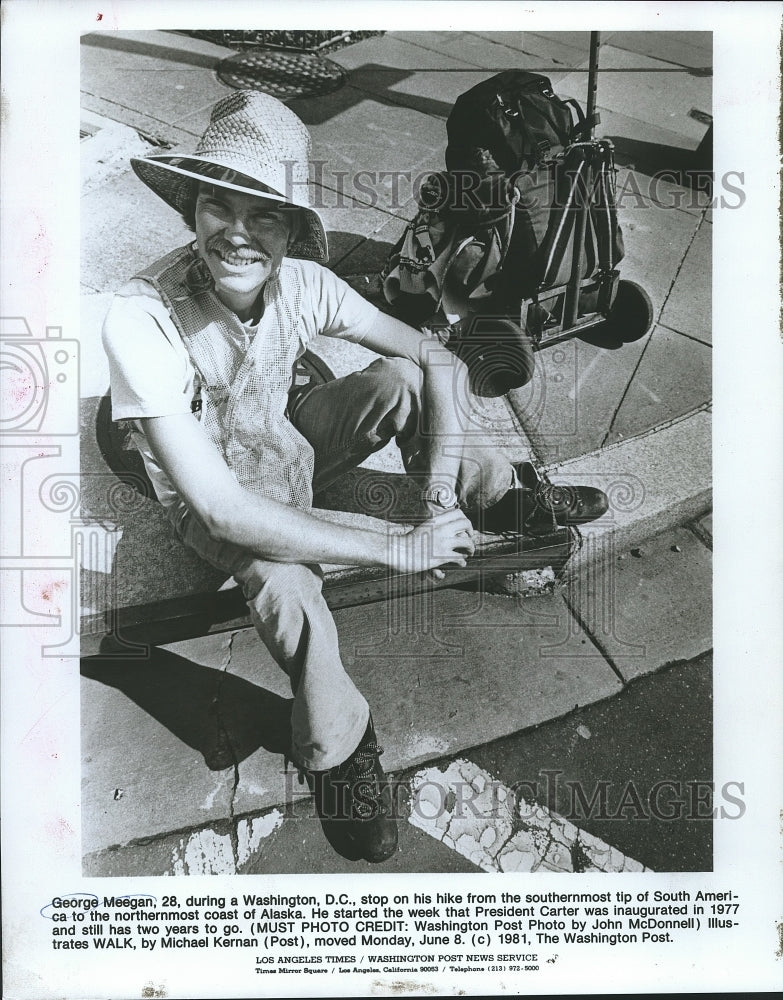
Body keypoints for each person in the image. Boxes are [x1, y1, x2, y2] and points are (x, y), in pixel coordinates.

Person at [102, 90, 608, 864]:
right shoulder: (142, 318)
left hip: (286, 444)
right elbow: (223, 510)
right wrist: (401, 544)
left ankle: (500, 500)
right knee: (287, 586)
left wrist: (439, 494)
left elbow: (435, 355)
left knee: (399, 380)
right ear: (190, 209)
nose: (238, 232)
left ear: (291, 227)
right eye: (217, 205)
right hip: (212, 500)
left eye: (263, 211)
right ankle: (341, 755)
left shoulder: (301, 283)